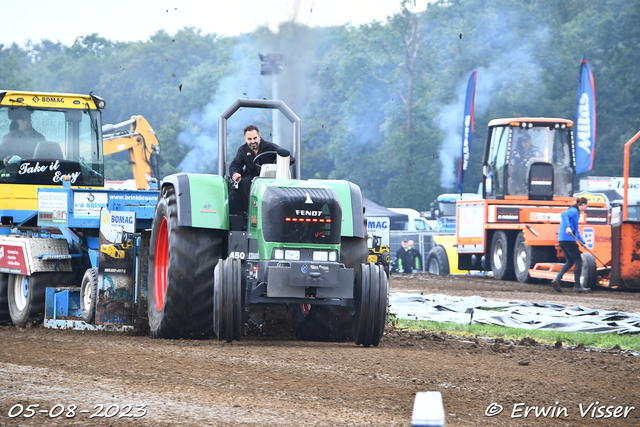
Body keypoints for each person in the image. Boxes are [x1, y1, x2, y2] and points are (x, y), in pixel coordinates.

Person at [228, 124, 294, 214]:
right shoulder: (243, 150)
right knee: (243, 183)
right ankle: (249, 211)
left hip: (269, 177)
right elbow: (235, 164)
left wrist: (282, 162)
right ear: (245, 139)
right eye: (250, 139)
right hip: (252, 177)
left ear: (259, 136)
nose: (253, 141)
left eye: (255, 138)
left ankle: (272, 210)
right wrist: (235, 173)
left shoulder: (270, 147)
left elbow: (289, 158)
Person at [551, 197, 591, 293]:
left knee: (570, 261)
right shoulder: (574, 210)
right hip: (568, 239)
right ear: (582, 204)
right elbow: (564, 214)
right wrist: (568, 227)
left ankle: (557, 279)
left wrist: (583, 243)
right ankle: (577, 285)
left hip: (562, 239)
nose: (586, 208)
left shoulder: (576, 213)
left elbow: (576, 231)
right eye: (586, 206)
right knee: (578, 260)